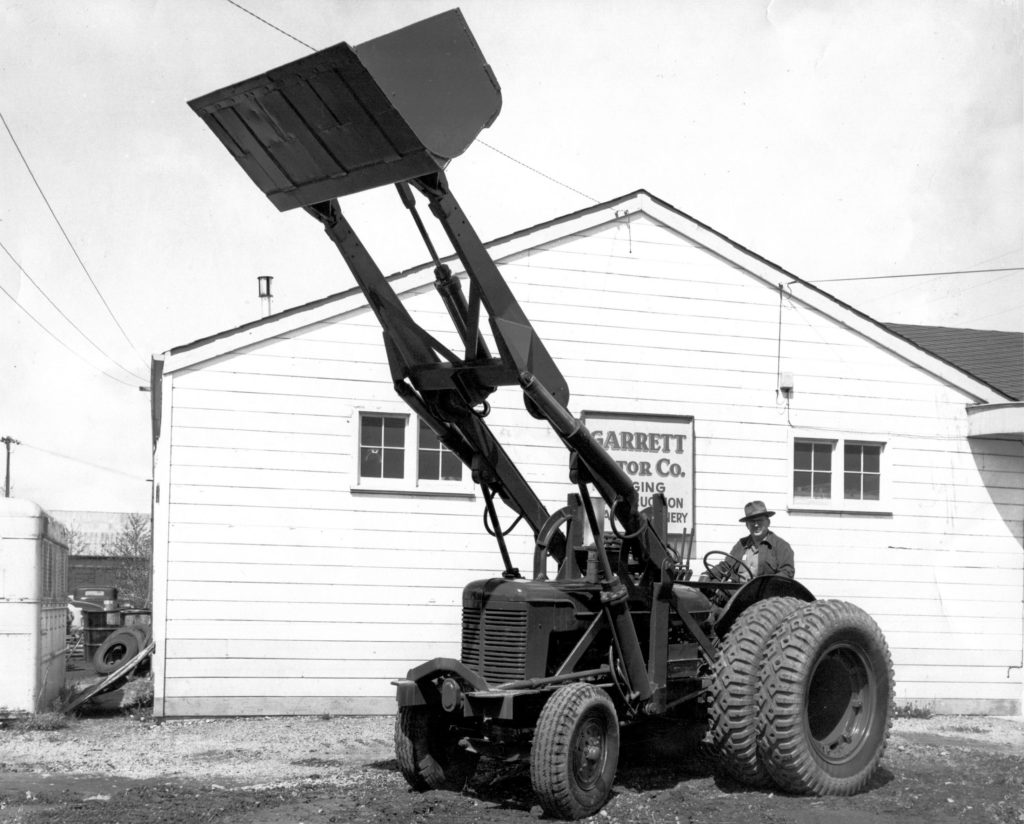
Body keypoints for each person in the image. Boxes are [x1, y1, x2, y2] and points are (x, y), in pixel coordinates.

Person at [703, 500, 794, 581]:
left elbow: (787, 572)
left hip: (763, 594)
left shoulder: (781, 546)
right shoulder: (742, 544)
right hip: (738, 591)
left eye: (760, 520)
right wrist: (707, 574)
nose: (756, 525)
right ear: (747, 525)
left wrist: (765, 583)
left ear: (768, 522)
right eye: (752, 522)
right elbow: (726, 566)